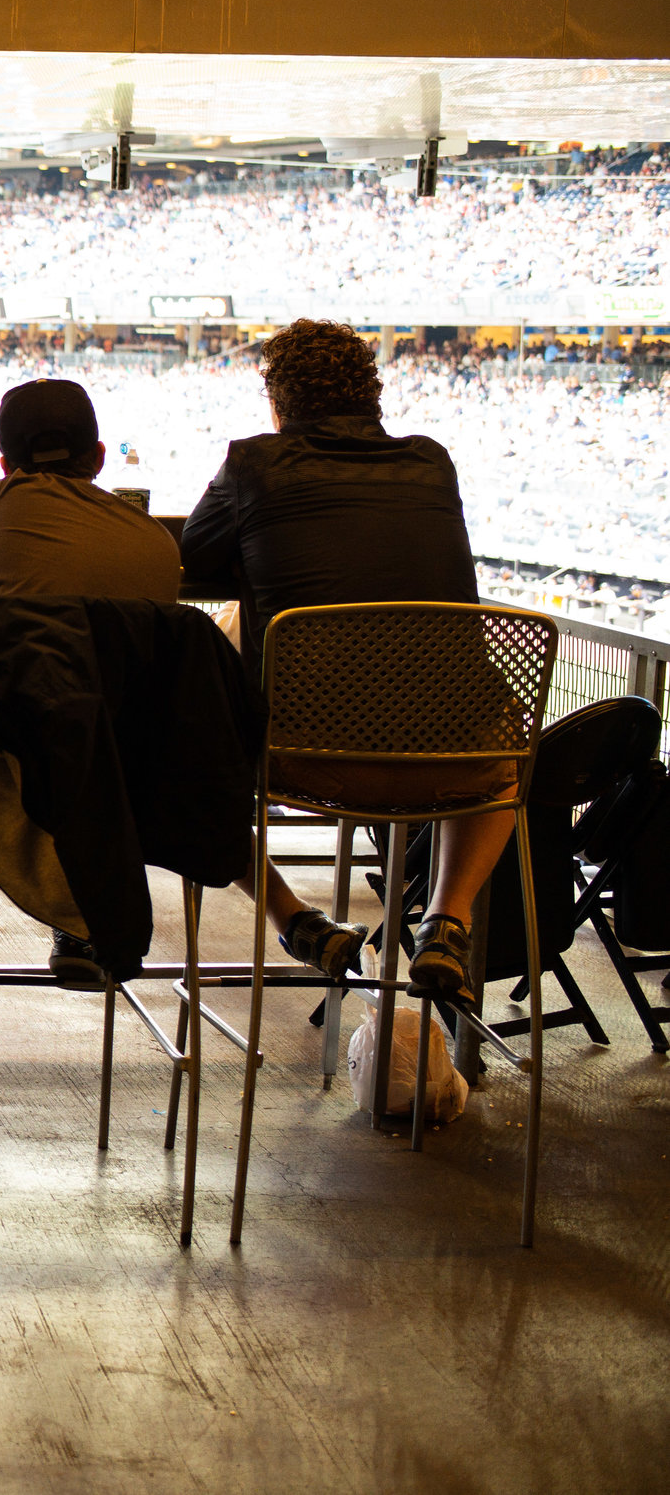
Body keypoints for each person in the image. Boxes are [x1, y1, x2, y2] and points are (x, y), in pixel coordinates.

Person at [0, 376, 252, 1001]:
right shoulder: (157, 541)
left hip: (10, 740)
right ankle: (80, 926)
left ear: (4, 462)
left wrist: (7, 586)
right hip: (124, 760)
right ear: (100, 457)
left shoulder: (1, 498)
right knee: (75, 741)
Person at [182, 317, 496, 1006]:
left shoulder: (252, 463)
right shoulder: (432, 461)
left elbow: (194, 557)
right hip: (450, 760)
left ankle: (293, 919)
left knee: (182, 757)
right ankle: (448, 915)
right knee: (498, 742)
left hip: (301, 754)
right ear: (371, 394)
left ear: (278, 400)